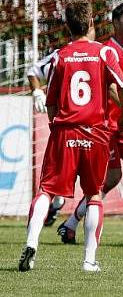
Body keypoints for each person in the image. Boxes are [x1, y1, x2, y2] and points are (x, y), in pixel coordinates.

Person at [19, 0, 123, 273]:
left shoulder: (60, 55)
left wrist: (56, 125)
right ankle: (89, 261)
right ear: (91, 23)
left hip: (64, 131)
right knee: (93, 195)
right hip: (95, 133)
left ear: (67, 26)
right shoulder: (104, 53)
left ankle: (32, 243)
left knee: (46, 190)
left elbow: (51, 100)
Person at [57, 3, 123, 246]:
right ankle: (71, 224)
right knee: (110, 178)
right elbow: (111, 87)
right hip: (106, 126)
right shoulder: (104, 51)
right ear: (114, 23)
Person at [27, 48, 65, 227]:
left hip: (89, 126)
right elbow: (32, 72)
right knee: (54, 174)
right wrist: (37, 92)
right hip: (62, 125)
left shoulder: (98, 52)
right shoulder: (60, 54)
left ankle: (58, 206)